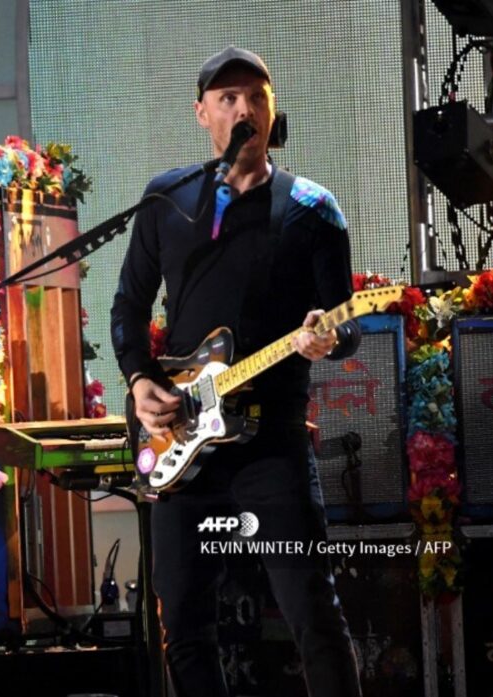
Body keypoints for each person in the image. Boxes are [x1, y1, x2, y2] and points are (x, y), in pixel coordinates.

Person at [110, 47, 364, 696]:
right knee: (183, 628)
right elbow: (128, 307)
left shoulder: (312, 207)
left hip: (270, 446)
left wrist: (326, 338)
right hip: (182, 443)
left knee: (314, 615)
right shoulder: (167, 199)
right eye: (227, 98)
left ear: (273, 109)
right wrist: (141, 381)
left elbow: (347, 323)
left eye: (256, 94)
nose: (243, 107)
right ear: (202, 114)